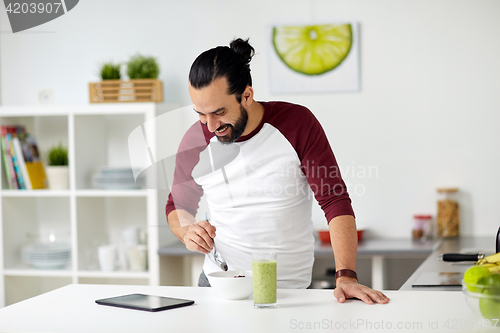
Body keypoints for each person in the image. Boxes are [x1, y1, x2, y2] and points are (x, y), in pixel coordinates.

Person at [166, 38, 389, 305]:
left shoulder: (297, 123)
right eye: (201, 114)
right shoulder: (196, 140)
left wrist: (347, 277)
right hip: (219, 285)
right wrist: (187, 231)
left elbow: (333, 199)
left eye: (219, 112)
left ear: (247, 96)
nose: (210, 125)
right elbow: (176, 206)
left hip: (288, 290)